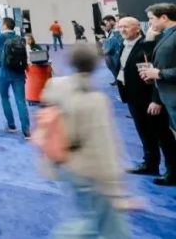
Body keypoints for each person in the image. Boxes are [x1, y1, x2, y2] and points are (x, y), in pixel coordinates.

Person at [40, 43, 139, 238]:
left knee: (93, 219)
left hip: (65, 163)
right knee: (100, 225)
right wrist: (116, 192)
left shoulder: (54, 86)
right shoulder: (94, 100)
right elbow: (104, 148)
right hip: (89, 170)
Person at [114, 17, 176, 185]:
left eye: (126, 27)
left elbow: (155, 74)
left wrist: (156, 100)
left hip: (149, 99)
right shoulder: (123, 44)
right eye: (120, 27)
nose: (122, 30)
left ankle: (173, 171)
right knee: (144, 132)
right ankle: (150, 164)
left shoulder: (148, 45)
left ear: (137, 28)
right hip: (132, 97)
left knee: (162, 135)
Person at [140, 3, 176, 138]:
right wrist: (149, 39)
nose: (149, 22)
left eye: (151, 18)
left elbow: (160, 70)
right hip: (168, 96)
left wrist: (159, 74)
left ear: (164, 17)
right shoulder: (164, 35)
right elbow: (156, 61)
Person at [102, 15, 123, 85]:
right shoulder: (112, 31)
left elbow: (121, 41)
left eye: (106, 23)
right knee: (112, 66)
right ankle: (117, 80)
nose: (106, 25)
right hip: (113, 52)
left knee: (118, 67)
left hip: (117, 51)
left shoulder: (117, 30)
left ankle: (119, 81)